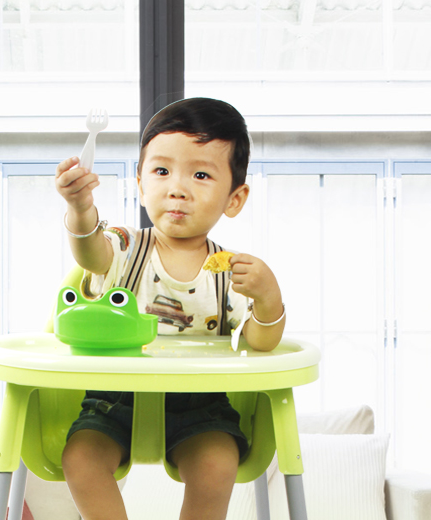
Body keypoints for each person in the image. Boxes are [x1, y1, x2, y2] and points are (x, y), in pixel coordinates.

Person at [54, 97, 285, 520]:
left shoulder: (228, 270)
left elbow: (259, 343)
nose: (177, 187)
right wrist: (81, 209)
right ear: (141, 183)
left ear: (235, 198)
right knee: (80, 458)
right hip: (114, 399)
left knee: (217, 463)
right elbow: (90, 254)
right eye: (161, 171)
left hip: (201, 405)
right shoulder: (124, 247)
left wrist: (269, 299)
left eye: (200, 174)